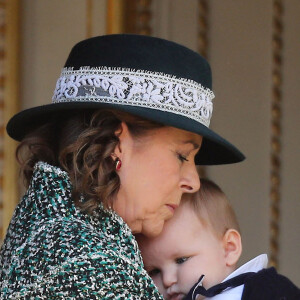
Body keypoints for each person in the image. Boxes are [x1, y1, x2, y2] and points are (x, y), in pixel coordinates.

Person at [0, 34, 245, 299]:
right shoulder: (92, 266)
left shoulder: (47, 229)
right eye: (182, 156)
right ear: (118, 143)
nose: (193, 182)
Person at [137, 179, 300, 300]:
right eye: (154, 271)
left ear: (229, 248)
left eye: (181, 260)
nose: (167, 280)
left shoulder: (266, 291)